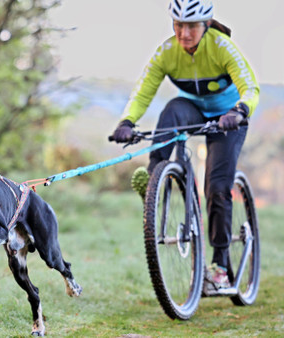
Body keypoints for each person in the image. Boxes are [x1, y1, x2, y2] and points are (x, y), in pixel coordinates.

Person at [111, 0, 260, 290]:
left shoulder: (222, 47)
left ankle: (219, 265)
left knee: (216, 188)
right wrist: (127, 121)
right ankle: (156, 181)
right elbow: (143, 91)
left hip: (228, 118)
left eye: (191, 26)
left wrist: (240, 110)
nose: (184, 33)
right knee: (172, 109)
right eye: (178, 25)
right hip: (192, 110)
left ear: (205, 25)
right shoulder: (167, 52)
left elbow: (250, 87)